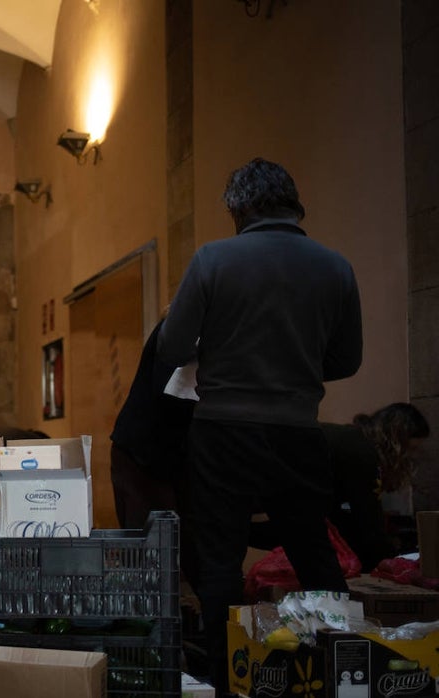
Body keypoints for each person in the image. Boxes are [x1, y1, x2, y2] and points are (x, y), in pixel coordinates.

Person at [157, 157, 363, 695]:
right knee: (314, 553)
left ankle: (233, 680)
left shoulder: (214, 260)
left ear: (241, 208)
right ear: (294, 206)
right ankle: (345, 675)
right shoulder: (336, 266)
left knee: (220, 558)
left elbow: (171, 348)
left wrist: (221, 350)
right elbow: (346, 361)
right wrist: (292, 363)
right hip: (298, 431)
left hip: (223, 430)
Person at [252, 402, 431, 572]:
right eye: (410, 450)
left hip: (251, 470)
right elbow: (367, 521)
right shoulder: (361, 452)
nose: (411, 459)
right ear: (396, 442)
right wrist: (393, 563)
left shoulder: (349, 442)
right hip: (258, 479)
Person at [108, 317, 195, 530]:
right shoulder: (182, 328)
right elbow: (171, 398)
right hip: (144, 457)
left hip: (173, 458)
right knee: (153, 554)